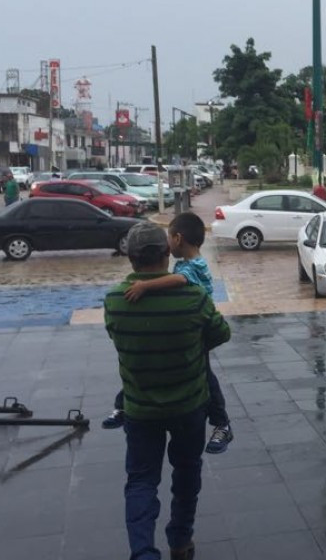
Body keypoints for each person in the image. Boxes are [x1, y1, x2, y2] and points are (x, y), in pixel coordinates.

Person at [104, 222, 231, 560]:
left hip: (141, 409)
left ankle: (144, 553)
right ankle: (180, 541)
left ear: (130, 258)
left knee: (141, 481)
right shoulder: (193, 297)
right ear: (165, 254)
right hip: (189, 406)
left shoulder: (115, 301)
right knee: (187, 472)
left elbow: (116, 338)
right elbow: (221, 334)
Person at [103, 213, 234, 454]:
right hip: (194, 328)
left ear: (177, 238)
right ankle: (121, 405)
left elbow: (179, 280)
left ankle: (221, 421)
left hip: (200, 325)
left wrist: (144, 286)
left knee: (203, 378)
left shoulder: (194, 266)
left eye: (169, 239)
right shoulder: (187, 262)